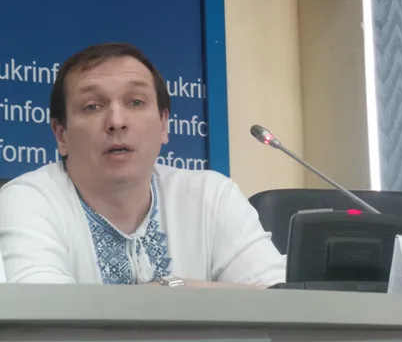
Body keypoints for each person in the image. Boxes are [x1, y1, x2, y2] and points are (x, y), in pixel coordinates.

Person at [0, 42, 286, 287]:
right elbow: (45, 318)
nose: (116, 121)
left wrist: (177, 290)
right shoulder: (29, 200)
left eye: (136, 102)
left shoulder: (211, 196)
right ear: (61, 134)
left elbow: (283, 300)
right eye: (92, 106)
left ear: (164, 124)